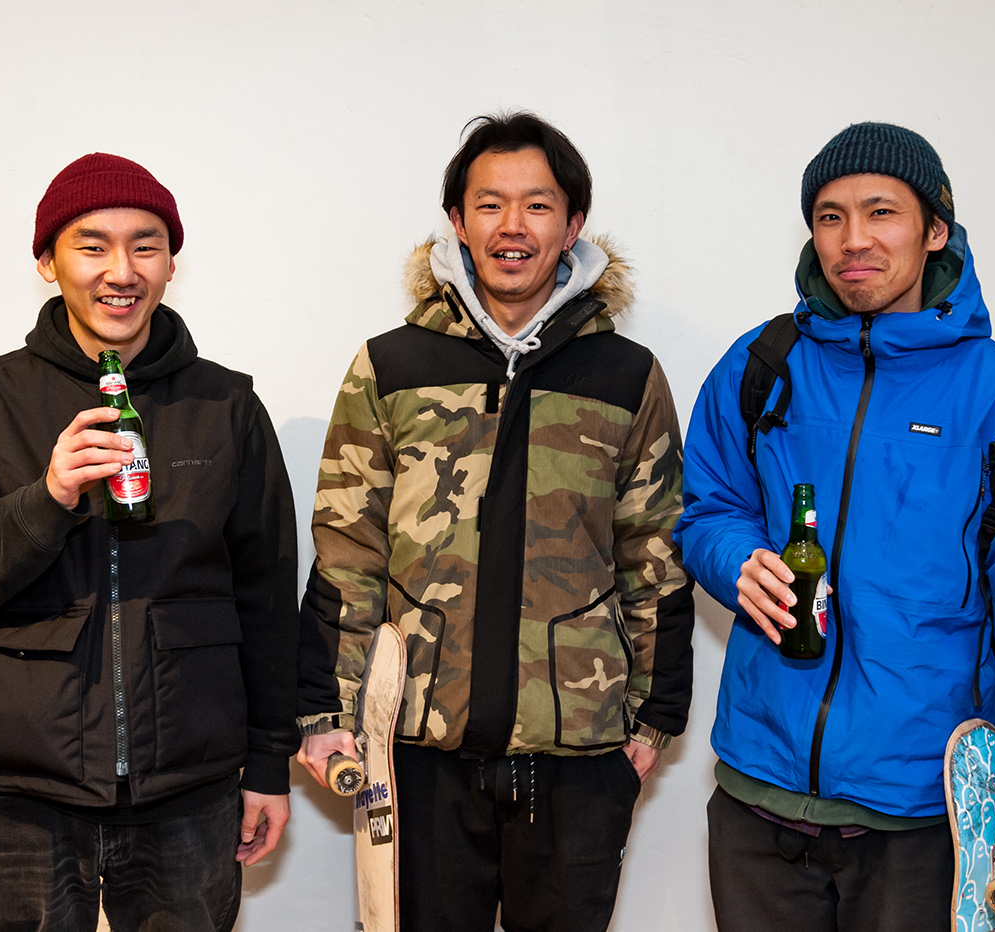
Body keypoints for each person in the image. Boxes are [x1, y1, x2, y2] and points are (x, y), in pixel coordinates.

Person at [675, 122, 995, 931]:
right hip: (757, 798)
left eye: (881, 212)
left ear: (935, 229)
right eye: (830, 217)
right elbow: (707, 508)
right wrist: (734, 558)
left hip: (923, 818)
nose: (854, 240)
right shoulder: (761, 365)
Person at [295, 111, 695, 932]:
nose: (513, 226)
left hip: (579, 757)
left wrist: (655, 719)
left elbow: (655, 553)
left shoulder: (625, 375)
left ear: (573, 225)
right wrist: (327, 713)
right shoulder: (392, 366)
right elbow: (347, 554)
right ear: (457, 221)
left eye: (538, 205)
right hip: (420, 748)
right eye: (490, 204)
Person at [0, 153, 299, 931]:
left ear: (171, 263)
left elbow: (266, 600)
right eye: (92, 246)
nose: (122, 271)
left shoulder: (226, 406)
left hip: (188, 792)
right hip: (22, 794)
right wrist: (46, 500)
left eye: (145, 245)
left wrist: (268, 764)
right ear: (47, 262)